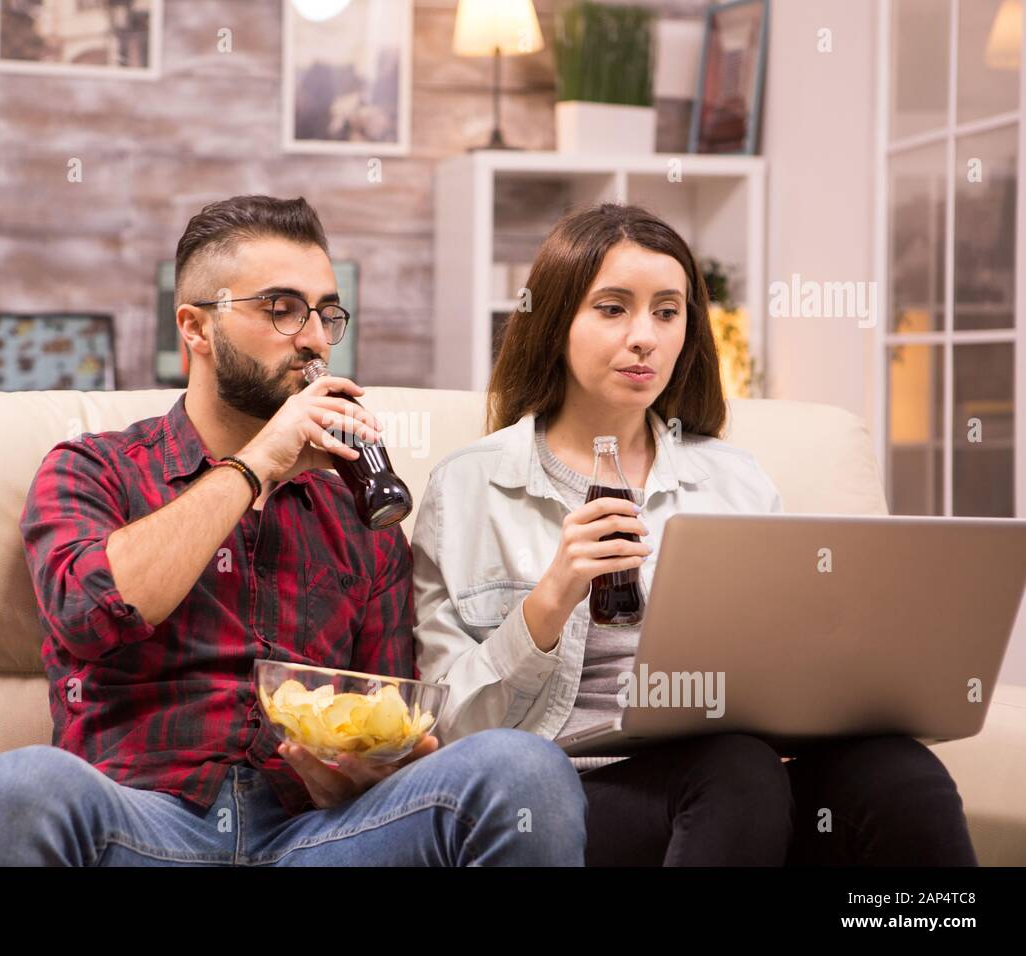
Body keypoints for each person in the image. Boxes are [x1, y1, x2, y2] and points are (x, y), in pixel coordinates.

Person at [0, 194, 586, 866]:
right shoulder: (94, 469)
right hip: (143, 827)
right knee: (14, 787)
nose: (313, 339)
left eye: (325, 314)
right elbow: (97, 610)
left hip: (317, 839)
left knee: (524, 768)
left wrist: (365, 770)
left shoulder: (359, 518)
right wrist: (256, 465)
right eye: (281, 309)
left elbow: (390, 712)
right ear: (194, 327)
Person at [411, 202, 977, 866]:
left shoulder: (735, 481)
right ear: (557, 319)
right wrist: (551, 598)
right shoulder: (470, 488)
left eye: (668, 311)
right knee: (735, 769)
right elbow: (449, 727)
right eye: (613, 308)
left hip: (745, 776)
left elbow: (790, 668)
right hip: (575, 790)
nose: (645, 336)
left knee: (898, 773)